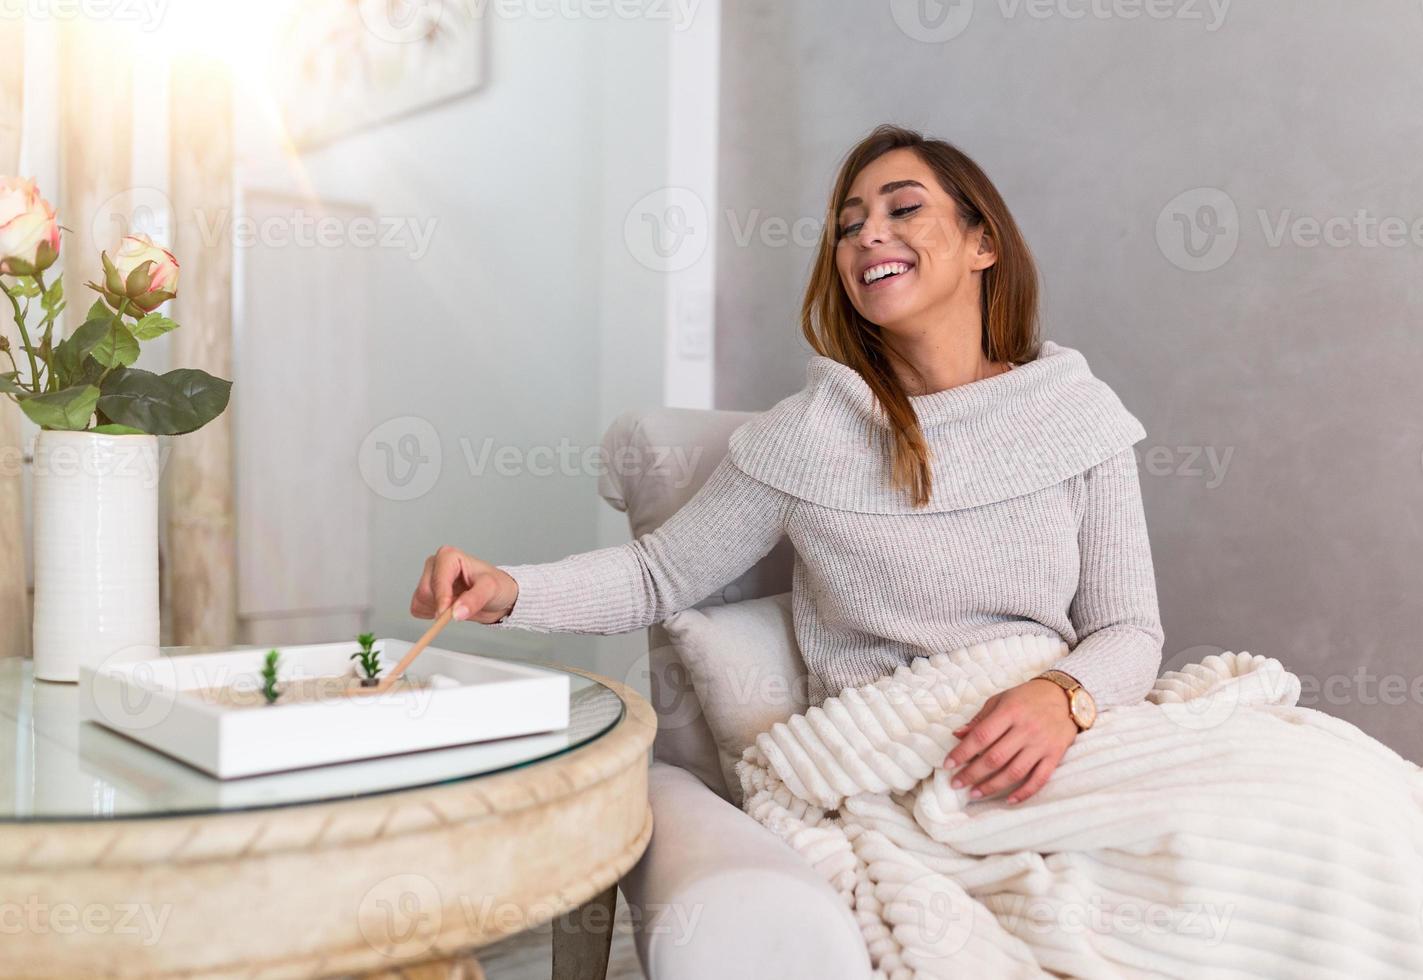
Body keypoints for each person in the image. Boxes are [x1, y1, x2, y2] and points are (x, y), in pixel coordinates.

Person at [411, 123, 1163, 808]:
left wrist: (1064, 696)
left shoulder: (1073, 409)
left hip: (1061, 739)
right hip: (904, 764)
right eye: (848, 225)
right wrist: (508, 589)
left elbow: (1129, 629)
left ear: (983, 243)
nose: (869, 235)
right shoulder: (811, 433)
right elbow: (657, 576)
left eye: (903, 209)